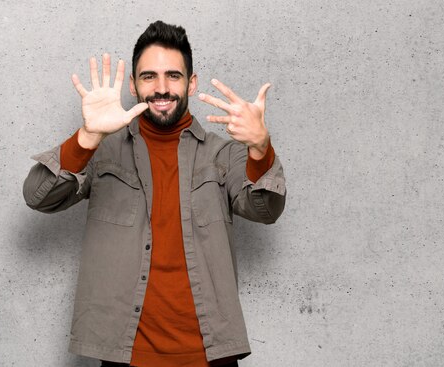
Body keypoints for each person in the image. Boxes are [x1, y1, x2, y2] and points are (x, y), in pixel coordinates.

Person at [22, 21, 286, 367]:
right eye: (149, 77)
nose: (162, 88)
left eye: (173, 76)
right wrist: (86, 136)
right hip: (124, 354)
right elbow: (38, 196)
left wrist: (260, 147)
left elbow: (265, 209)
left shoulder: (224, 155)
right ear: (133, 85)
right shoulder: (103, 151)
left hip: (210, 356)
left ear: (191, 82)